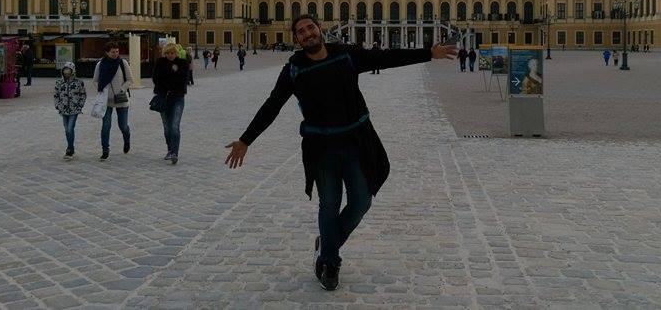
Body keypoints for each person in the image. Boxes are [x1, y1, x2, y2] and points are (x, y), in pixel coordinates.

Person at [224, 15, 458, 291]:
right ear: (296, 39)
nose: (307, 33)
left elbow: (385, 58)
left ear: (319, 29)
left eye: (310, 27)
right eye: (301, 31)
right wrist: (246, 139)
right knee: (329, 205)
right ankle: (330, 263)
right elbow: (272, 105)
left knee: (361, 202)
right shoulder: (294, 69)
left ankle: (327, 244)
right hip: (322, 148)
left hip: (355, 142)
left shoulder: (346, 55)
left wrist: (428, 53)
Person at [94, 41, 133, 160]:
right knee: (106, 126)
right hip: (106, 100)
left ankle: (127, 139)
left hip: (121, 99)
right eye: (112, 52)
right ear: (107, 52)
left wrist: (122, 89)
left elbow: (130, 79)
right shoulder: (100, 64)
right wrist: (101, 90)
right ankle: (105, 150)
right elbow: (95, 81)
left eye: (117, 51)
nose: (116, 54)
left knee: (123, 126)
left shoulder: (122, 63)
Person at [153, 43, 189, 164]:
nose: (170, 55)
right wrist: (171, 71)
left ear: (176, 53)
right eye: (167, 53)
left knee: (174, 126)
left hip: (178, 98)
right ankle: (169, 149)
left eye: (172, 53)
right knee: (167, 127)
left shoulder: (182, 63)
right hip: (163, 98)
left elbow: (183, 80)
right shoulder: (160, 62)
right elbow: (155, 79)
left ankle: (174, 153)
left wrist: (169, 77)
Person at [53, 62, 86, 160]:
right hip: (63, 109)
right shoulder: (59, 82)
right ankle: (71, 147)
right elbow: (56, 95)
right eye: (65, 70)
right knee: (67, 130)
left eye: (68, 70)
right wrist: (58, 105)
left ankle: (69, 149)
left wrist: (80, 105)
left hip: (74, 109)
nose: (66, 72)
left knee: (70, 129)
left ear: (72, 71)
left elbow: (83, 95)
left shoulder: (79, 82)